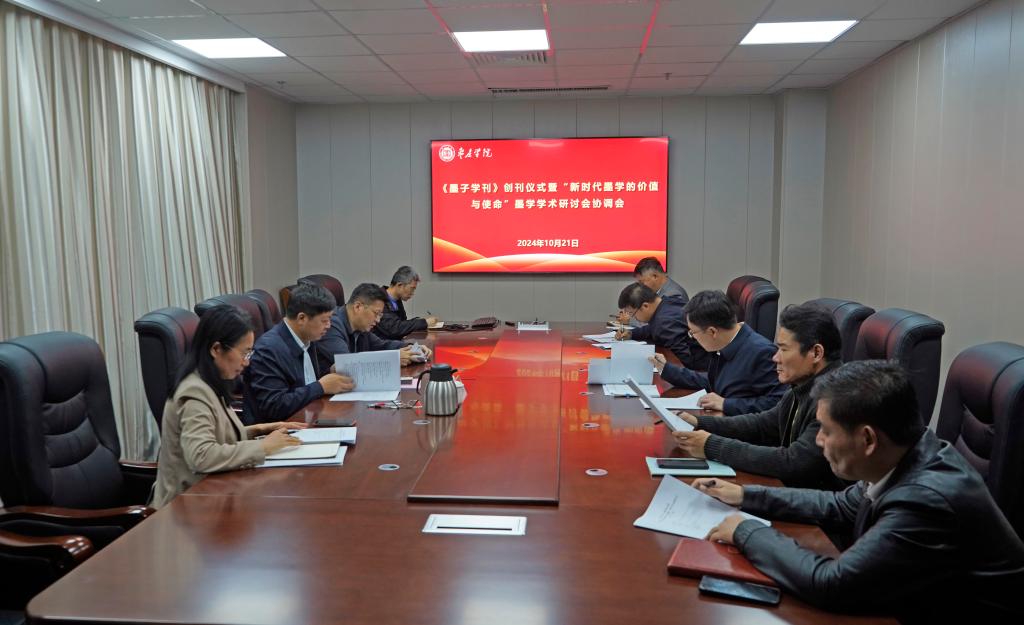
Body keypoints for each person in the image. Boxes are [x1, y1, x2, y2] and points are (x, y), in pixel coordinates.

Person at [696, 360, 1024, 623]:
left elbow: (831, 584)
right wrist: (745, 496)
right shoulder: (906, 453)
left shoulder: (926, 499)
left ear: (867, 439)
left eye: (826, 430)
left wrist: (746, 531)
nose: (818, 441)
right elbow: (840, 505)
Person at [671, 303, 846, 489]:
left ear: (816, 353)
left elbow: (793, 462)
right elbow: (762, 424)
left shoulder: (834, 400)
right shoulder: (802, 387)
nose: (775, 358)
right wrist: (699, 422)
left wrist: (712, 445)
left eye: (784, 349)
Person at [151, 305, 308, 508]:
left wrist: (261, 429)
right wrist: (262, 447)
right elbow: (201, 455)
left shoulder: (209, 381)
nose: (246, 362)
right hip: (185, 508)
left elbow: (217, 435)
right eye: (244, 353)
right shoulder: (194, 392)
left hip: (212, 494)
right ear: (216, 349)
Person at [652, 290, 784, 415]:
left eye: (692, 333)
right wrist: (667, 370)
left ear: (712, 332)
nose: (693, 338)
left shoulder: (762, 352)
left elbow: (778, 403)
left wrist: (726, 404)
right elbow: (714, 381)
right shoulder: (726, 344)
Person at [243, 284, 353, 424]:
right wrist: (321, 387)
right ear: (302, 318)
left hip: (310, 417)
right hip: (282, 429)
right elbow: (274, 406)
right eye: (324, 320)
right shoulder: (268, 350)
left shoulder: (308, 337)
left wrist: (328, 373)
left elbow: (304, 381)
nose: (329, 326)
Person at [315, 282, 432, 373]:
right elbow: (348, 364)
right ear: (358, 307)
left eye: (380, 315)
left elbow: (382, 345)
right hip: (323, 396)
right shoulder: (331, 325)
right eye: (376, 313)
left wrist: (413, 348)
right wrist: (393, 358)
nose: (378, 320)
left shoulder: (361, 327)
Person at [615, 283, 709, 371]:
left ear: (645, 306)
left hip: (703, 367)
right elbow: (652, 328)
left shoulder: (664, 322)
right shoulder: (668, 302)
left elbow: (684, 361)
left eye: (632, 313)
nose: (633, 317)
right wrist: (631, 333)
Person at [615, 257, 687, 327]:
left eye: (642, 282)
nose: (641, 287)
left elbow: (658, 324)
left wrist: (629, 320)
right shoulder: (659, 291)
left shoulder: (674, 294)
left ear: (655, 276)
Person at [374, 266, 439, 341]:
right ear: (400, 285)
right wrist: (424, 322)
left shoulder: (397, 300)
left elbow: (402, 323)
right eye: (412, 288)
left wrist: (420, 320)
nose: (413, 293)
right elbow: (394, 329)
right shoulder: (379, 299)